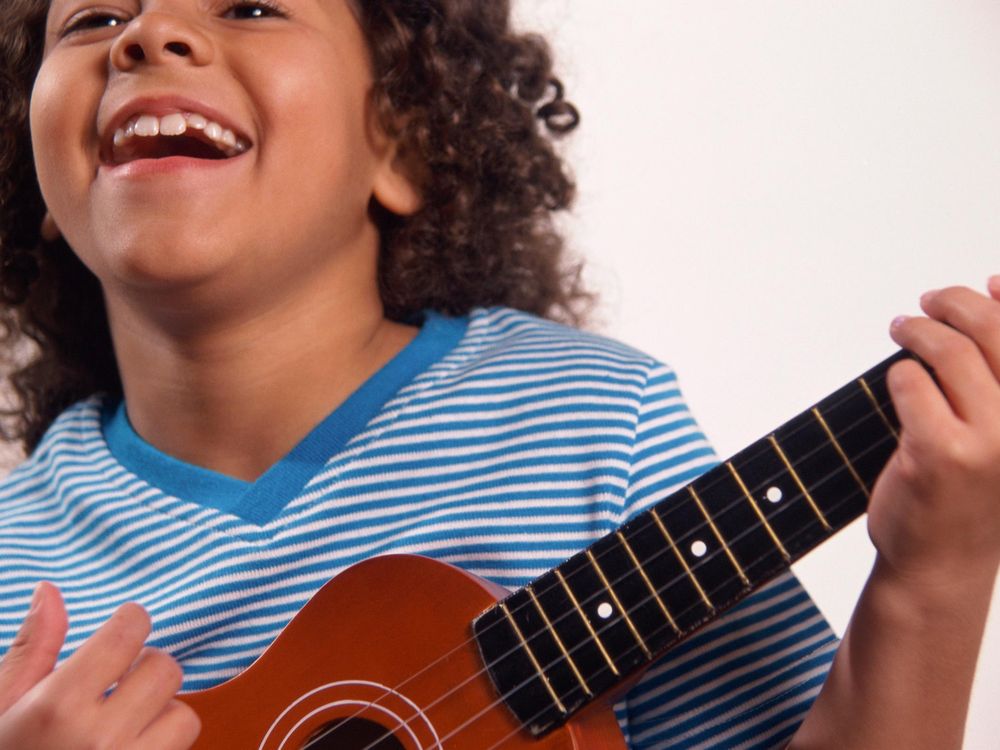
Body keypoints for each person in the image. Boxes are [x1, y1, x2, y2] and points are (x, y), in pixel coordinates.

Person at [0, 1, 996, 748]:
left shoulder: (587, 426)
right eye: (92, 16)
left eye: (251, 5)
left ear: (403, 140)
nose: (150, 33)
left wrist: (933, 579)